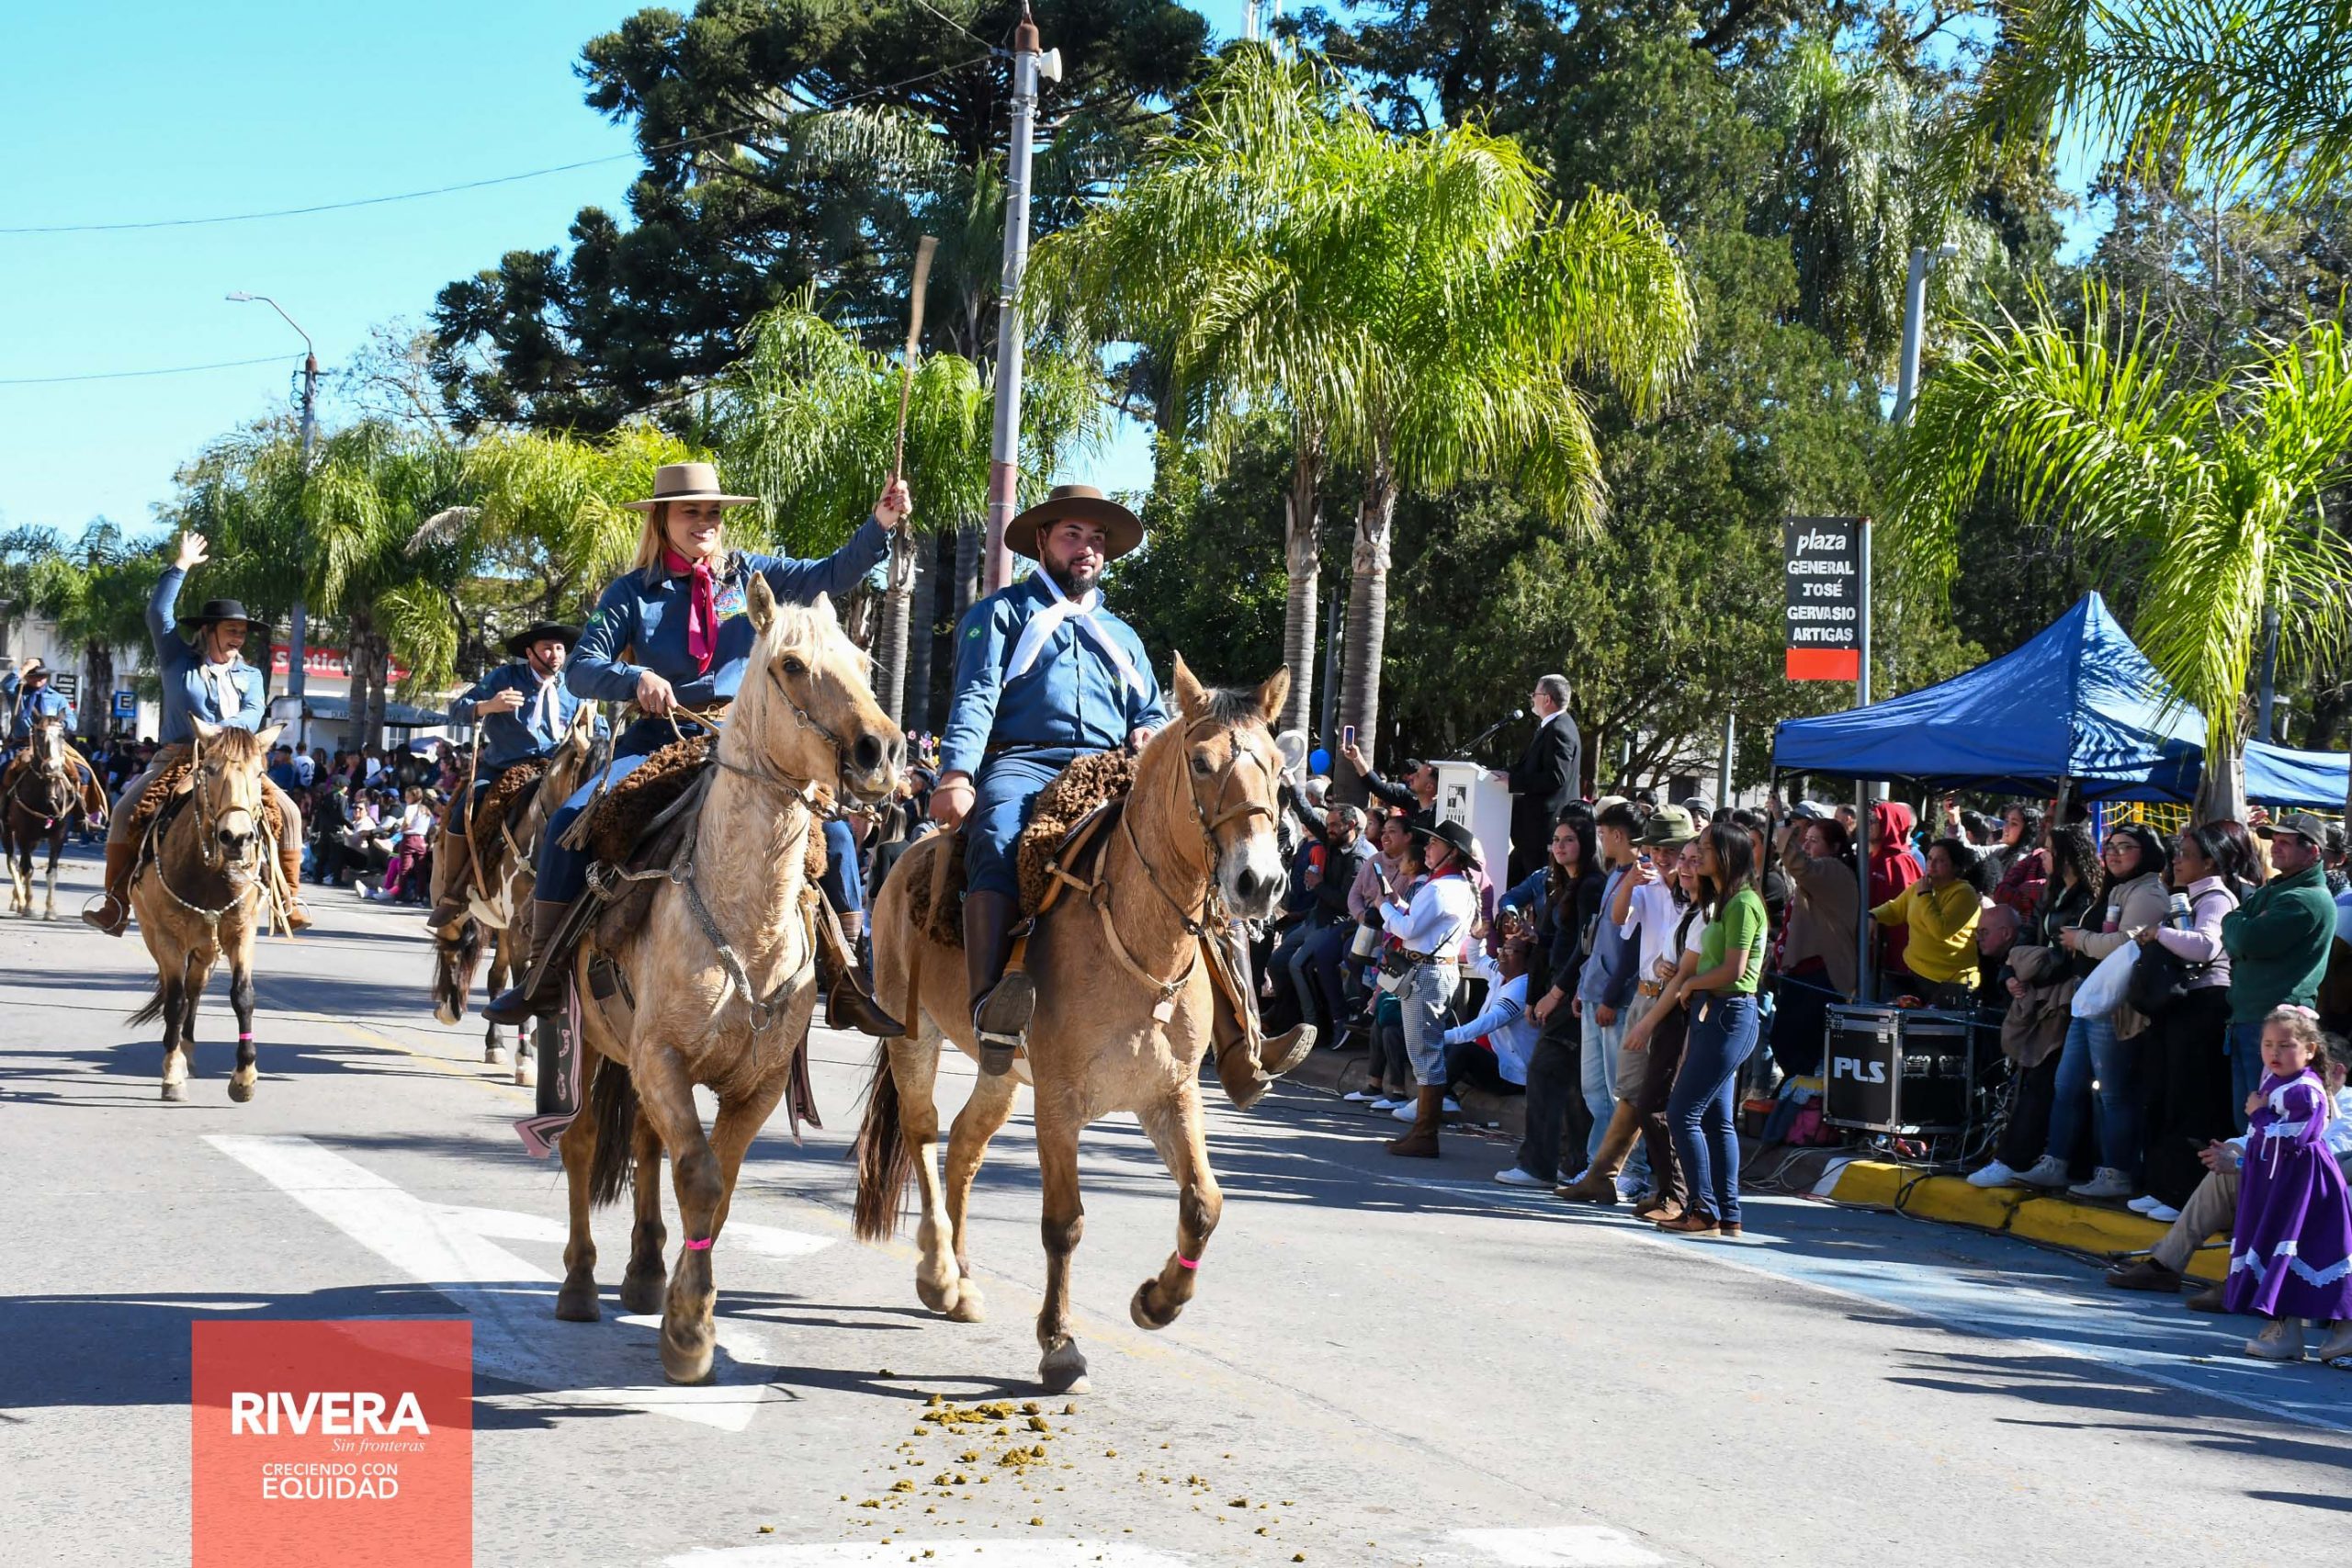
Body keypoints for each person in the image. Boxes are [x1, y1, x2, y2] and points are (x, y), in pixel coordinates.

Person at [485, 461, 907, 1026]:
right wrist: (635, 678)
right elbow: (582, 667)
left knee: (832, 833)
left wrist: (880, 524)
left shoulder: (748, 575)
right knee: (568, 821)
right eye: (691, 512)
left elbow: (832, 573)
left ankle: (849, 978)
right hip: (661, 739)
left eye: (712, 512)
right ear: (663, 519)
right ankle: (544, 974)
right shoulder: (632, 593)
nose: (705, 521)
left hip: (745, 740)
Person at [927, 485, 1189, 1077]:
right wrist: (959, 773)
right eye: (1073, 535)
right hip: (1023, 762)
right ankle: (988, 1008)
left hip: (1110, 769)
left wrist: (1149, 731)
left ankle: (1240, 1030)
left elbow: (1151, 710)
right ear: (1042, 540)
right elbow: (976, 695)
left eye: (1097, 539)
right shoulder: (999, 615)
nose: (1087, 548)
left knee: (1195, 847)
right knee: (997, 838)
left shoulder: (1123, 636)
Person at [82, 531, 310, 934]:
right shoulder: (177, 659)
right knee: (124, 811)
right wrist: (181, 565)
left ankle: (288, 900)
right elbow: (158, 613)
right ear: (208, 629)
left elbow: (254, 712)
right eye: (231, 629)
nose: (238, 637)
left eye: (242, 631)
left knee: (289, 813)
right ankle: (115, 903)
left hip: (236, 761)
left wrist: (220, 732)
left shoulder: (251, 675)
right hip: (178, 756)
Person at [1561, 804, 1697, 1203]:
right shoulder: (1645, 884)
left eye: (1672, 851)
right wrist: (1630, 882)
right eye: (1657, 849)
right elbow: (1620, 920)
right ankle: (1605, 1174)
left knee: (1657, 1096)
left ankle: (1655, 1182)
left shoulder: (1697, 894)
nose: (1663, 858)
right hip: (1645, 993)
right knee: (1629, 1091)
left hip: (1675, 1000)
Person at [425, 619, 588, 936]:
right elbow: (458, 708)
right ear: (530, 652)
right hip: (505, 767)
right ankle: (453, 893)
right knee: (465, 812)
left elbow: (599, 730)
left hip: (556, 769)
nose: (555, 655)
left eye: (559, 648)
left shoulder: (573, 687)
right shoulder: (505, 677)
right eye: (547, 648)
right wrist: (490, 705)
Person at [2222, 1007, 2352, 1361]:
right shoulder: (2276, 1082)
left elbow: (2295, 1137)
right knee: (2280, 1250)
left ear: (2310, 1050)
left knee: (2309, 1250)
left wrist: (2259, 1113)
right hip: (2280, 1184)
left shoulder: (2305, 1090)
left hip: (2305, 1185)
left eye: (2285, 1045)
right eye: (2268, 1044)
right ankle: (2286, 1332)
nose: (2274, 1053)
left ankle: (2343, 1330)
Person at [1660, 818, 1770, 1236]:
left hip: (1729, 1013)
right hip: (1714, 1012)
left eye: (1705, 849)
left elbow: (1735, 970)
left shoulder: (1742, 902)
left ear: (1726, 855)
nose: (1697, 856)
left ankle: (1703, 1209)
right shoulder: (1724, 901)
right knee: (1715, 1119)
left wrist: (1689, 983)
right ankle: (1727, 1214)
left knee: (1681, 1112)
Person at [2130, 825, 2239, 1218]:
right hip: (2178, 1008)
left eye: (2186, 855)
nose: (2176, 861)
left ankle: (2184, 1195)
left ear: (2209, 862)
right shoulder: (2187, 896)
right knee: (2166, 1097)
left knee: (2193, 1102)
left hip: (2204, 1006)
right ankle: (2162, 1185)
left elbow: (2206, 945)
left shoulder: (2216, 898)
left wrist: (2158, 934)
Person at [2219, 812, 2337, 1125]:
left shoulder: (2305, 899)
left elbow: (2247, 939)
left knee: (2266, 1122)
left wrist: (2236, 923)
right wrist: (2237, 922)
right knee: (2246, 1121)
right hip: (2251, 1020)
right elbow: (2233, 926)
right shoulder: (2275, 890)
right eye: (2275, 840)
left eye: (2286, 842)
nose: (2275, 847)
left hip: (2277, 1026)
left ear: (2313, 851)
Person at [1379, 818, 1483, 1157]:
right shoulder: (1455, 886)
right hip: (1435, 970)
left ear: (1451, 852)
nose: (1427, 848)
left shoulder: (1441, 888)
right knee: (1426, 1051)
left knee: (1425, 1054)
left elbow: (1409, 929)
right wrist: (1397, 905)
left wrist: (1384, 906)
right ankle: (1423, 1130)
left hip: (1427, 972)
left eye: (1435, 843)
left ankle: (1425, 1133)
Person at [1775, 815, 1857, 1077]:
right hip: (1803, 972)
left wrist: (1781, 822)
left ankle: (1805, 1094)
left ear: (1835, 847)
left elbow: (1800, 865)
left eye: (1815, 840)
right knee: (1785, 1040)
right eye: (1806, 839)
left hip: (1821, 973)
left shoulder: (1833, 869)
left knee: (1799, 1044)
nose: (1807, 845)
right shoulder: (1821, 872)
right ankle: (1798, 1090)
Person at [1871, 837, 1985, 1009]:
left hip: (1950, 982)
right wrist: (1872, 915)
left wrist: (1925, 896)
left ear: (1956, 867)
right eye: (1930, 858)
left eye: (1940, 861)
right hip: (1915, 974)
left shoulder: (1964, 893)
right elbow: (1895, 909)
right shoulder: (1922, 885)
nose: (1932, 865)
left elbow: (1940, 930)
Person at [1496, 674, 1581, 884]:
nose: (1532, 698)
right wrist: (1505, 774)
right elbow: (1532, 766)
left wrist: (1514, 782)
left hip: (1544, 829)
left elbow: (1555, 777)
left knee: (1538, 889)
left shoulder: (1559, 729)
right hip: (1531, 833)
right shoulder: (1552, 726)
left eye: (1535, 694)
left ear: (1547, 699)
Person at [1442, 933, 1537, 1100]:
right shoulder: (1500, 975)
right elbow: (1477, 960)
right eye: (1503, 949)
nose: (1503, 955)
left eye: (1510, 951)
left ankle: (1428, 1104)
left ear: (1527, 959)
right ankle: (1446, 1097)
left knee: (1461, 1049)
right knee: (1442, 1047)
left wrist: (1441, 1037)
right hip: (1491, 1058)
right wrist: (1476, 937)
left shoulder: (1521, 988)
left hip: (1512, 1075)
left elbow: (1488, 1022)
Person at [1864, 800, 1923, 976]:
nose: (1868, 823)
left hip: (1887, 960)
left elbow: (1903, 914)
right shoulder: (1871, 857)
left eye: (1874, 820)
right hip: (1866, 951)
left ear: (1889, 824)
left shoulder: (1901, 862)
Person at [1340, 739, 1437, 817]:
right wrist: (1356, 758)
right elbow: (1378, 787)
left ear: (1429, 787)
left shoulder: (1437, 816)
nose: (1411, 776)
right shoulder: (1410, 801)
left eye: (1418, 776)